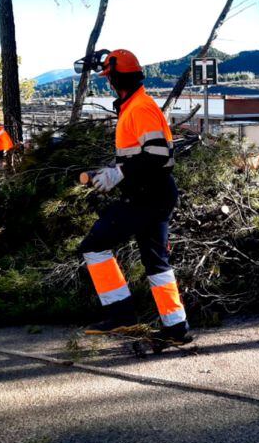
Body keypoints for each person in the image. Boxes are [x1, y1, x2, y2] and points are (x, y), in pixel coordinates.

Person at [75, 48, 190, 345]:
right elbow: (141, 156)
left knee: (94, 245)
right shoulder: (134, 105)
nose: (108, 82)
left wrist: (120, 173)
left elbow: (159, 155)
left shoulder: (139, 108)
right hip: (154, 194)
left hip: (147, 196)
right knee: (157, 263)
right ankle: (176, 328)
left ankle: (121, 315)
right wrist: (115, 171)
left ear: (115, 77)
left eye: (109, 77)